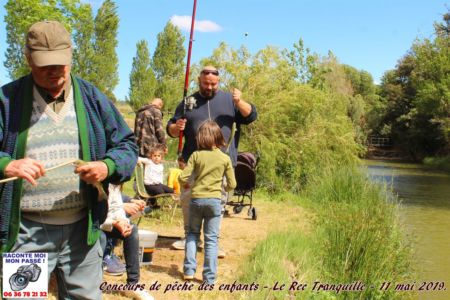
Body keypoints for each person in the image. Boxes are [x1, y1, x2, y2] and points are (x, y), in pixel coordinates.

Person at [0, 21, 138, 299]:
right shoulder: (7, 100)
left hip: (82, 232)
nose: (54, 72)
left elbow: (127, 145)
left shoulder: (91, 98)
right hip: (27, 233)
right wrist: (6, 164)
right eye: (44, 64)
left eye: (60, 64)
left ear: (71, 55)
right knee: (22, 296)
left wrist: (106, 166)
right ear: (28, 59)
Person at [166, 65, 257, 255]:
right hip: (193, 163)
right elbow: (171, 129)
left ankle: (213, 243)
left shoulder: (229, 100)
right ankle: (189, 237)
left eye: (213, 84)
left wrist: (239, 101)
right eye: (206, 83)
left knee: (217, 204)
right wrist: (177, 128)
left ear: (219, 82)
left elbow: (251, 116)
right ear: (198, 81)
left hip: (221, 164)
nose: (209, 87)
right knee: (189, 202)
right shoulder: (188, 102)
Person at [179, 120, 236, 284]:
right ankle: (209, 278)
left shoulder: (196, 155)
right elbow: (232, 184)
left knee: (192, 234)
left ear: (200, 138)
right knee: (211, 240)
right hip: (214, 201)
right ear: (218, 137)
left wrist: (189, 183)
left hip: (196, 200)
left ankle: (189, 271)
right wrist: (223, 186)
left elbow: (182, 177)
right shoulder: (225, 158)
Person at [100, 185, 153, 300]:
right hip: (92, 225)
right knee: (101, 237)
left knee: (132, 230)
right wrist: (115, 220)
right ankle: (93, 281)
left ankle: (133, 285)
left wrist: (123, 221)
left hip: (109, 221)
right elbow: (92, 214)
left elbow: (115, 205)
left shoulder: (115, 182)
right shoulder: (97, 178)